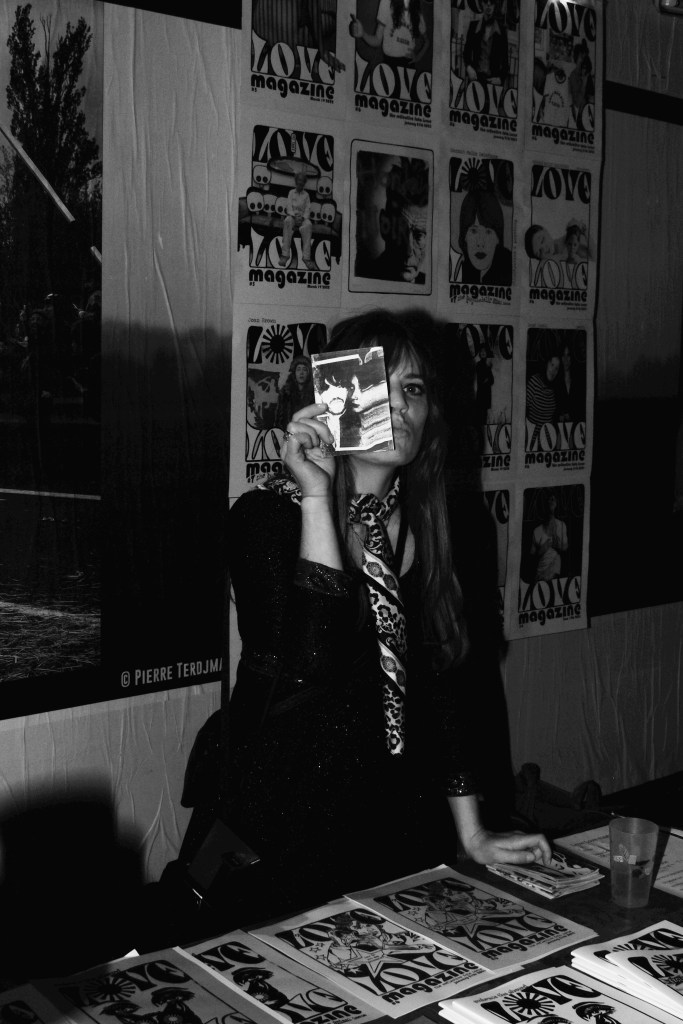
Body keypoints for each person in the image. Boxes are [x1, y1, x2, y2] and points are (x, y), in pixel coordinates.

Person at [184, 309, 551, 930]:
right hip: (278, 820)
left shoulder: (434, 527)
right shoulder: (265, 518)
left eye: (414, 389)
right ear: (333, 400)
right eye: (377, 384)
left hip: (388, 819)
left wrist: (472, 832)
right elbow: (310, 663)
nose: (400, 405)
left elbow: (442, 686)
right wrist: (317, 497)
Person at [355, 156, 430, 285]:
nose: (408, 252)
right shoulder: (363, 278)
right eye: (400, 232)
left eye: (419, 236)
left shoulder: (426, 282)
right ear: (383, 224)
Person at [252, 0, 345, 74]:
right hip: (288, 46)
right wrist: (322, 51)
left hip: (259, 33)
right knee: (330, 21)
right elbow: (313, 9)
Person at [350, 0, 429, 67]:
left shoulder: (416, 8)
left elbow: (427, 42)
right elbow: (377, 40)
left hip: (409, 65)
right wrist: (363, 34)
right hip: (389, 63)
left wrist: (418, 57)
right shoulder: (386, 2)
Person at [458, 190, 512, 286]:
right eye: (474, 231)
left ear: (497, 239)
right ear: (464, 236)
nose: (480, 243)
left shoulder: (509, 268)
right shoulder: (459, 268)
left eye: (488, 232)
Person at [312, 358, 363, 449]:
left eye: (339, 386)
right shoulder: (316, 427)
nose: (334, 394)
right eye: (326, 388)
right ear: (320, 395)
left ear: (347, 389)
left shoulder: (361, 424)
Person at [463, 0, 509, 84]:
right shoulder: (473, 26)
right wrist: (469, 67)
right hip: (475, 80)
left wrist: (500, 79)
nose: (488, 4)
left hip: (492, 82)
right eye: (485, 1)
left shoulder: (502, 32)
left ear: (495, 5)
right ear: (481, 4)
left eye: (492, 2)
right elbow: (466, 52)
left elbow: (505, 63)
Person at [279, 172, 315, 270]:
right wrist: (294, 217)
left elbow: (308, 208)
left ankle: (306, 258)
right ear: (296, 182)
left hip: (303, 218)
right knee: (287, 221)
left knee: (308, 225)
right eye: (299, 181)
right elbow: (289, 206)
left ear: (304, 183)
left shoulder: (306, 195)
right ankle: (285, 255)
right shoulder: (291, 193)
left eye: (302, 182)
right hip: (292, 216)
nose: (300, 183)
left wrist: (302, 218)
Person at [530, 490, 568, 582]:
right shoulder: (537, 531)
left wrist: (556, 546)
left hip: (555, 577)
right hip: (540, 577)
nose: (551, 500)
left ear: (556, 504)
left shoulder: (561, 525)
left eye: (553, 499)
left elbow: (566, 548)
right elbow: (531, 556)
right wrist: (541, 551)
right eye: (548, 499)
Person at [274, 356, 314, 432]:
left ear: (308, 373)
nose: (301, 373)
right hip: (288, 433)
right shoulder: (285, 393)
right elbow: (279, 419)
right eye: (298, 369)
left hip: (308, 433)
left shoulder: (314, 394)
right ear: (294, 373)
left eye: (304, 369)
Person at [526, 354, 560, 426]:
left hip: (549, 432)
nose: (553, 371)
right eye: (552, 365)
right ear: (546, 364)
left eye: (556, 368)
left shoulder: (556, 389)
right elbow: (521, 409)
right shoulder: (535, 382)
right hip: (533, 432)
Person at [554, 342, 583, 424]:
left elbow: (582, 407)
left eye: (568, 355)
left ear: (572, 357)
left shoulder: (579, 380)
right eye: (563, 355)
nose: (566, 359)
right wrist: (559, 415)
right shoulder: (556, 381)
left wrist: (571, 414)